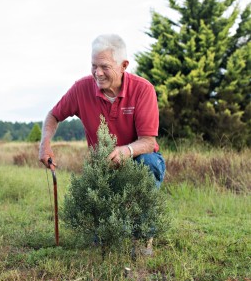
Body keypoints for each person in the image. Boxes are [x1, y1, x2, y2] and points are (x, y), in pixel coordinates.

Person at [39, 34, 165, 253]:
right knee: (101, 239)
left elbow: (148, 141)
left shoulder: (143, 89)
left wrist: (126, 151)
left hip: (137, 158)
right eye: (93, 66)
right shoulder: (81, 88)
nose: (97, 73)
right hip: (103, 165)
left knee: (150, 162)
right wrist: (45, 144)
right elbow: (53, 115)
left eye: (104, 67)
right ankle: (106, 232)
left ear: (124, 65)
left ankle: (143, 236)